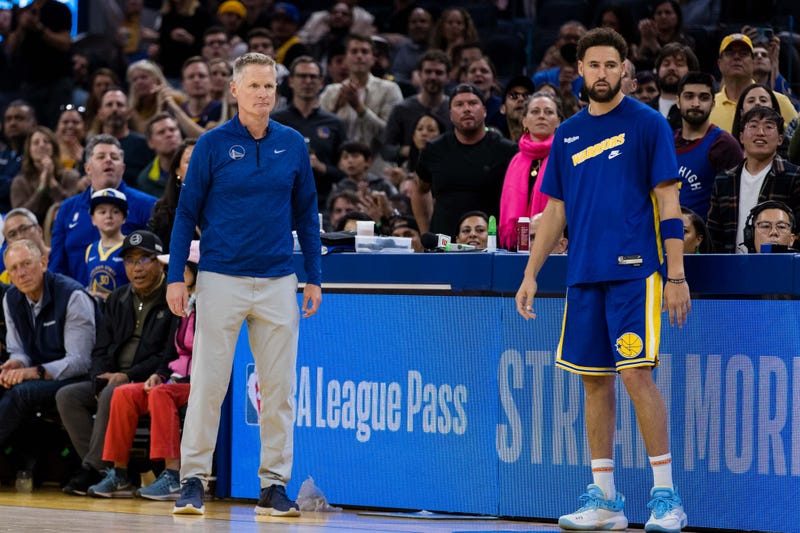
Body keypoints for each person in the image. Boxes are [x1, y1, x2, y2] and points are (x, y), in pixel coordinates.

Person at [515, 28, 689, 533]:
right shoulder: (567, 133)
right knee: (594, 382)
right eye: (594, 65)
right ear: (581, 71)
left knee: (636, 374)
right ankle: (606, 499)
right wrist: (531, 274)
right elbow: (553, 212)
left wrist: (676, 274)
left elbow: (669, 202)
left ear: (625, 70)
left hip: (636, 273)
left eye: (612, 65)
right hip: (584, 273)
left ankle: (665, 497)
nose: (603, 73)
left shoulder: (648, 123)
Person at [166, 52, 322, 516]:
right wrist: (177, 277)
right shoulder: (212, 145)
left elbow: (307, 215)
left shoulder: (293, 144)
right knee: (208, 385)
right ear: (234, 90)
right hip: (220, 278)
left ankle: (274, 486)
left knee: (278, 391)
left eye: (270, 86)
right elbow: (185, 214)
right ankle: (192, 479)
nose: (263, 94)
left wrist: (314, 276)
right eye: (254, 86)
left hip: (278, 280)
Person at [57, 229, 175, 496]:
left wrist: (128, 375)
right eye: (130, 261)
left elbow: (167, 355)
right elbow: (100, 348)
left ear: (160, 262)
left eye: (145, 259)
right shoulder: (117, 298)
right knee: (67, 396)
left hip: (148, 381)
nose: (137, 268)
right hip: (113, 378)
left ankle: (97, 468)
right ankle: (107, 471)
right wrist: (99, 377)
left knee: (114, 391)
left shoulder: (171, 298)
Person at [86, 241, 199, 500]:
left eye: (181, 268)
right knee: (124, 393)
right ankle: (120, 474)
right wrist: (158, 374)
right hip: (175, 378)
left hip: (199, 381)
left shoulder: (213, 306)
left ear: (195, 269)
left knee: (161, 394)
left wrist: (168, 381)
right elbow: (170, 351)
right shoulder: (183, 303)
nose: (175, 273)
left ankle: (172, 476)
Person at [0, 239, 96, 453]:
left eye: (26, 264)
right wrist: (15, 364)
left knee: (22, 393)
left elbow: (80, 361)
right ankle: (17, 464)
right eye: (13, 269)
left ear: (43, 263)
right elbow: (18, 349)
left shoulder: (72, 296)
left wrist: (33, 372)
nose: (21, 273)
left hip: (78, 378)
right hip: (40, 374)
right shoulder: (11, 298)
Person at [49, 134, 157, 286]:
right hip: (78, 303)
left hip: (128, 302)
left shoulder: (147, 205)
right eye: (101, 157)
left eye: (114, 157)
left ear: (123, 168)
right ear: (87, 168)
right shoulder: (67, 209)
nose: (108, 160)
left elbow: (158, 259)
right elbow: (56, 264)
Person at [413, 83, 517, 237]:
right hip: (444, 246)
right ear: (450, 114)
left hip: (492, 246)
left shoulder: (507, 151)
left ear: (484, 111)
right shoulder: (433, 149)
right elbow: (421, 190)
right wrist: (425, 233)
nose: (466, 109)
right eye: (459, 105)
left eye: (473, 103)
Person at [707, 106, 800, 253]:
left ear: (780, 139)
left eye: (768, 127)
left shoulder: (795, 177)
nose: (760, 133)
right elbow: (713, 235)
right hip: (730, 268)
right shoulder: (724, 180)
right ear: (741, 137)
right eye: (753, 126)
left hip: (779, 267)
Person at [271, 56, 347, 208]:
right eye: (302, 76)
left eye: (313, 77)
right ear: (291, 81)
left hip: (323, 204)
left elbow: (345, 173)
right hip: (281, 203)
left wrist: (322, 167)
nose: (308, 81)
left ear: (321, 82)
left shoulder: (334, 123)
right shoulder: (274, 121)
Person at [319, 33, 403, 169]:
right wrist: (335, 109)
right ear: (346, 58)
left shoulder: (390, 90)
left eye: (364, 51)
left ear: (373, 58)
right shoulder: (331, 92)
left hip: (378, 169)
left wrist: (360, 108)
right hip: (340, 169)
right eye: (354, 51)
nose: (359, 56)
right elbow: (321, 133)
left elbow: (390, 137)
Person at [674, 72, 742, 220]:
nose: (696, 104)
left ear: (713, 103)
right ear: (678, 101)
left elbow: (733, 205)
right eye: (689, 96)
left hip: (705, 239)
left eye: (703, 97)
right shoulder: (665, 141)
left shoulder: (724, 145)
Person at [499, 92, 563, 250]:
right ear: (524, 121)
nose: (542, 116)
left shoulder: (567, 157)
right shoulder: (515, 161)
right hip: (516, 251)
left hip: (557, 247)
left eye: (548, 112)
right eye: (535, 111)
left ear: (558, 122)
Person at [708, 33, 797, 134]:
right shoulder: (708, 105)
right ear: (719, 63)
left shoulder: (778, 101)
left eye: (744, 53)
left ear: (753, 62)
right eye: (730, 53)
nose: (737, 57)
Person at [381, 49, 451, 166]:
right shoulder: (401, 109)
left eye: (438, 73)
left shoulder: (454, 110)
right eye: (428, 71)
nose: (433, 77)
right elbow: (386, 150)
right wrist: (409, 150)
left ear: (448, 77)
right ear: (419, 74)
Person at [10, 126, 82, 224]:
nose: (41, 145)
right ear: (29, 150)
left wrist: (52, 182)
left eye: (46, 142)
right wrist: (42, 187)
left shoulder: (71, 176)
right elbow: (22, 217)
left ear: (53, 147)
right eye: (36, 143)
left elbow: (74, 208)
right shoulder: (20, 182)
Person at [96, 88, 155, 187]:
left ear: (129, 112)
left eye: (119, 105)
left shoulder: (144, 145)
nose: (114, 109)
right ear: (100, 113)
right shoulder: (92, 146)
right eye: (109, 105)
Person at [147, 138, 197, 251]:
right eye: (189, 161)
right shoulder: (162, 213)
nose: (198, 165)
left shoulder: (228, 205)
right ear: (178, 171)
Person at [85, 189, 128, 301]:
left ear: (124, 218)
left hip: (122, 313)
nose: (108, 216)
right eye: (102, 212)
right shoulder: (90, 249)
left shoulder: (131, 247)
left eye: (115, 212)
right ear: (93, 219)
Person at [0, 101, 37, 213]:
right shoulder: (2, 154)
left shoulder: (36, 156)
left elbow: (24, 189)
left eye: (19, 118)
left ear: (33, 124)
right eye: (8, 119)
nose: (13, 123)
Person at [653, 43, 698, 130]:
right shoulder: (644, 110)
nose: (671, 68)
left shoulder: (697, 110)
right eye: (666, 64)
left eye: (679, 64)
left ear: (691, 71)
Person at [136, 114, 183, 197]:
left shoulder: (199, 165)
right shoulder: (146, 180)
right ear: (150, 143)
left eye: (172, 130)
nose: (169, 134)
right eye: (161, 132)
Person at [0, 208, 50, 283]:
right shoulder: (7, 277)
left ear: (39, 230)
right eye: (12, 234)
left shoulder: (61, 256)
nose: (20, 237)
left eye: (24, 229)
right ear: (7, 243)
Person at [499, 76, 536, 142]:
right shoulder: (496, 141)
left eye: (527, 96)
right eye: (513, 96)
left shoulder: (543, 140)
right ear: (503, 108)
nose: (521, 99)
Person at [54, 105, 86, 170]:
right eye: (65, 122)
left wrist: (83, 160)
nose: (70, 126)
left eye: (75, 122)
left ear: (84, 128)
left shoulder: (91, 154)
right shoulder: (50, 154)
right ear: (57, 128)